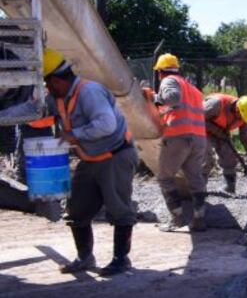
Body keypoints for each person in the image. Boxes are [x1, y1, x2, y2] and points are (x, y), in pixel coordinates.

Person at [44, 50, 139, 276]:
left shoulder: (89, 92)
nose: (47, 88)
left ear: (56, 80)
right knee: (77, 209)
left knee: (119, 209)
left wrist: (74, 135)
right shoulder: (58, 96)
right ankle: (85, 258)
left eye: (47, 83)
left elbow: (106, 124)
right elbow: (38, 111)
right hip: (90, 158)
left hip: (115, 156)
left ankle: (121, 260)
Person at [150, 53, 209, 232]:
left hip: (178, 136)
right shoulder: (192, 88)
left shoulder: (169, 81)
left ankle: (177, 220)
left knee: (165, 177)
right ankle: (199, 220)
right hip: (199, 138)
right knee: (195, 178)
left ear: (160, 71)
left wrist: (155, 99)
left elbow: (173, 98)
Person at [203, 93, 247, 194]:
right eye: (240, 117)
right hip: (202, 131)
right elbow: (197, 118)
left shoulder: (246, 115)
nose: (241, 120)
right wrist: (217, 131)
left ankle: (230, 186)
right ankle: (199, 187)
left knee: (229, 155)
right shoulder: (216, 104)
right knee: (206, 157)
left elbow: (246, 137)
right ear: (237, 109)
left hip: (222, 132)